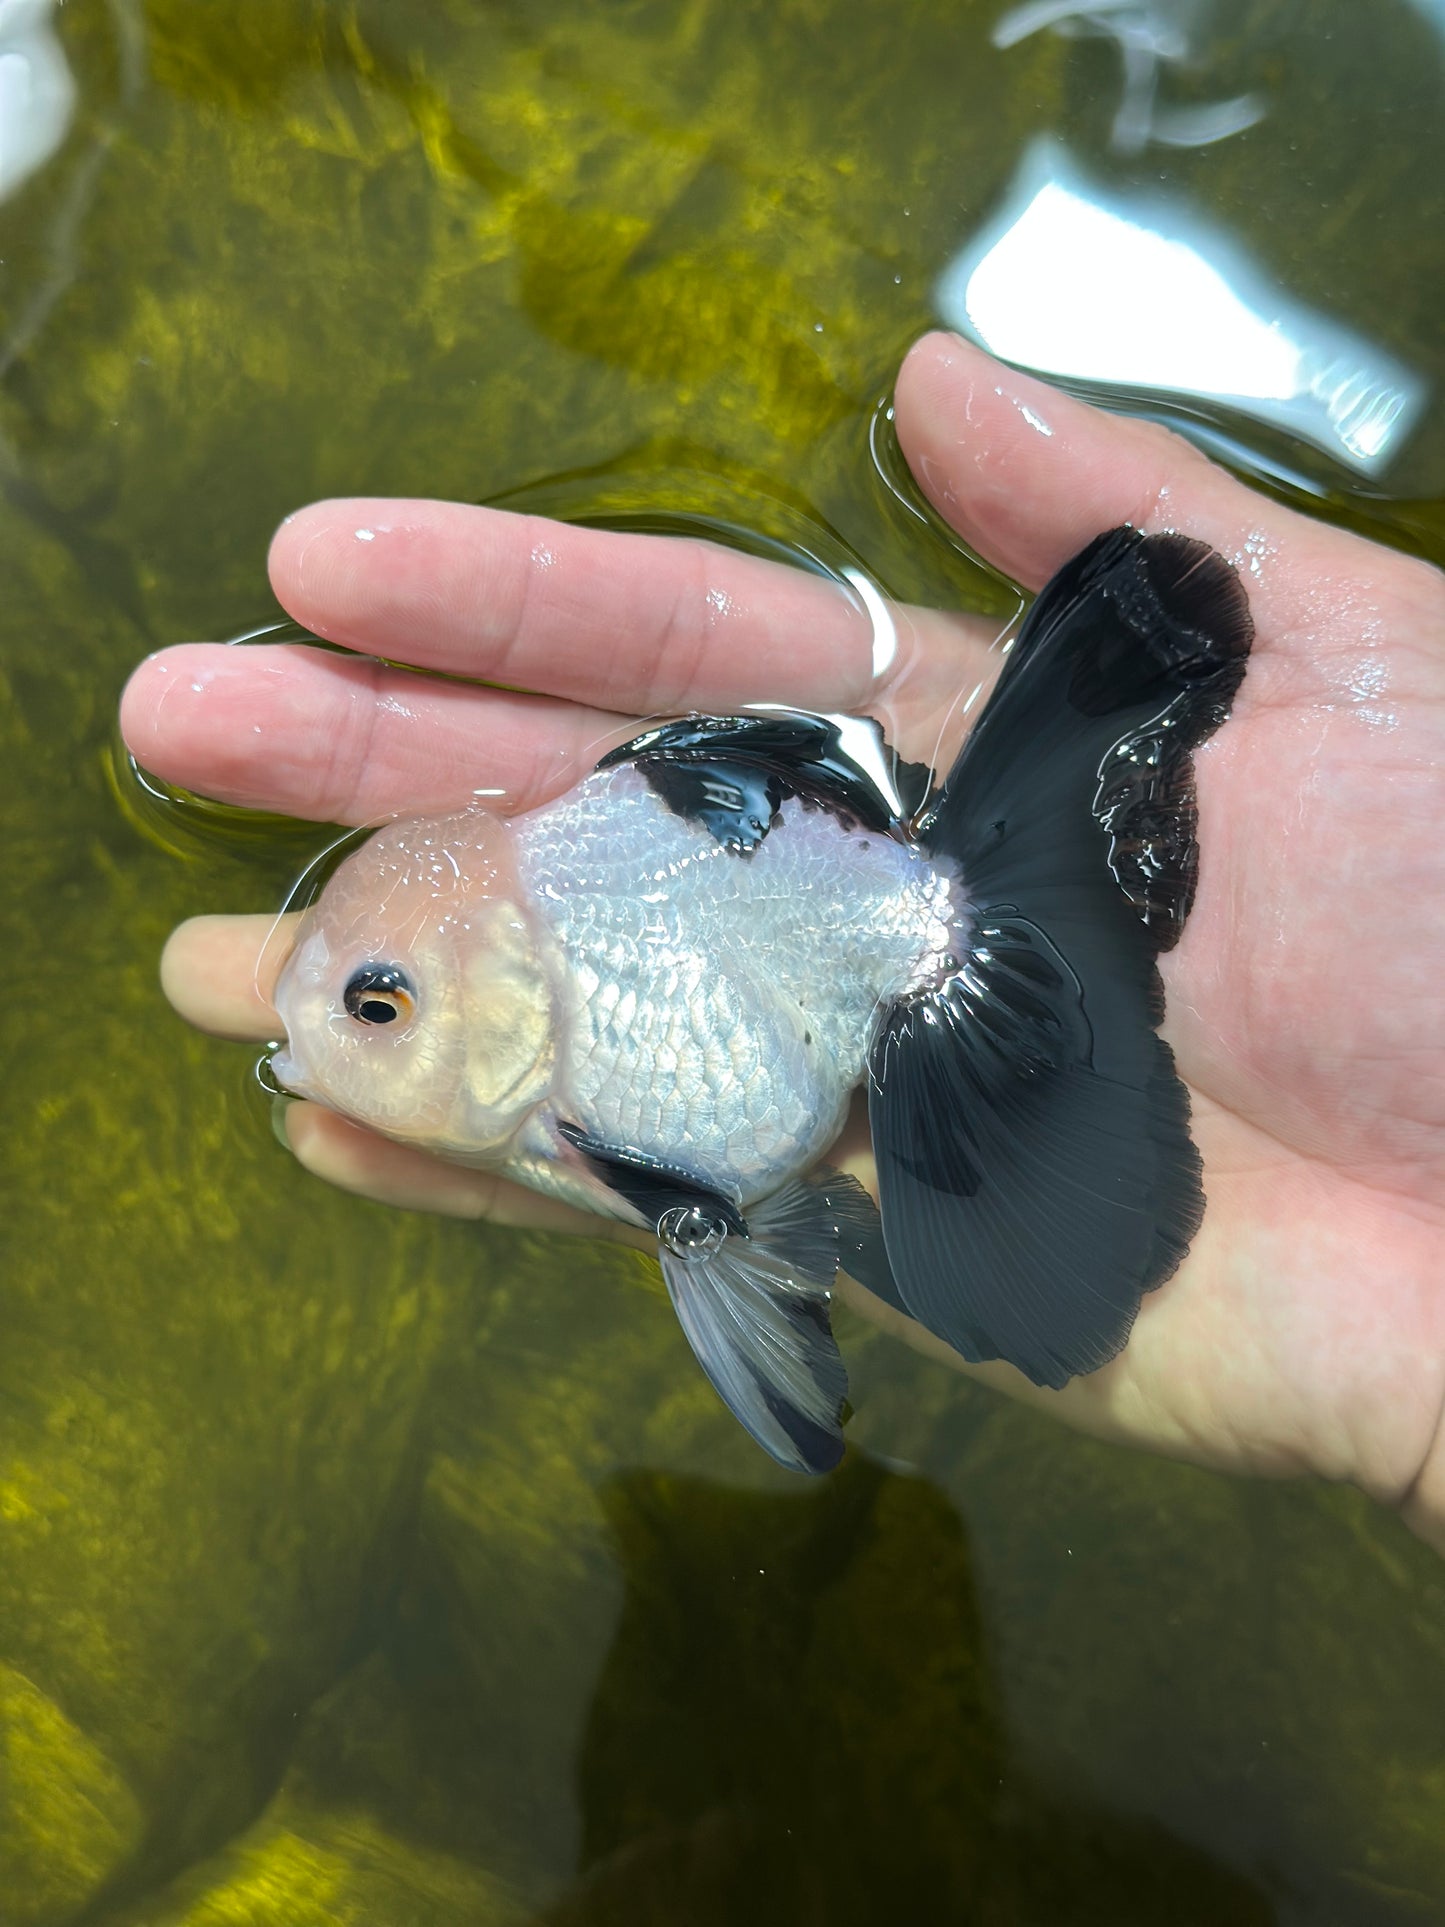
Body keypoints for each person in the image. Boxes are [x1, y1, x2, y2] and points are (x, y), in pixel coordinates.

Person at [120, 332, 1445, 1551]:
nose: (334, 1036)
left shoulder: (584, 1030)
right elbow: (711, 1217)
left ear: (498, 991)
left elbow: (708, 1218)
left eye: (378, 1006)